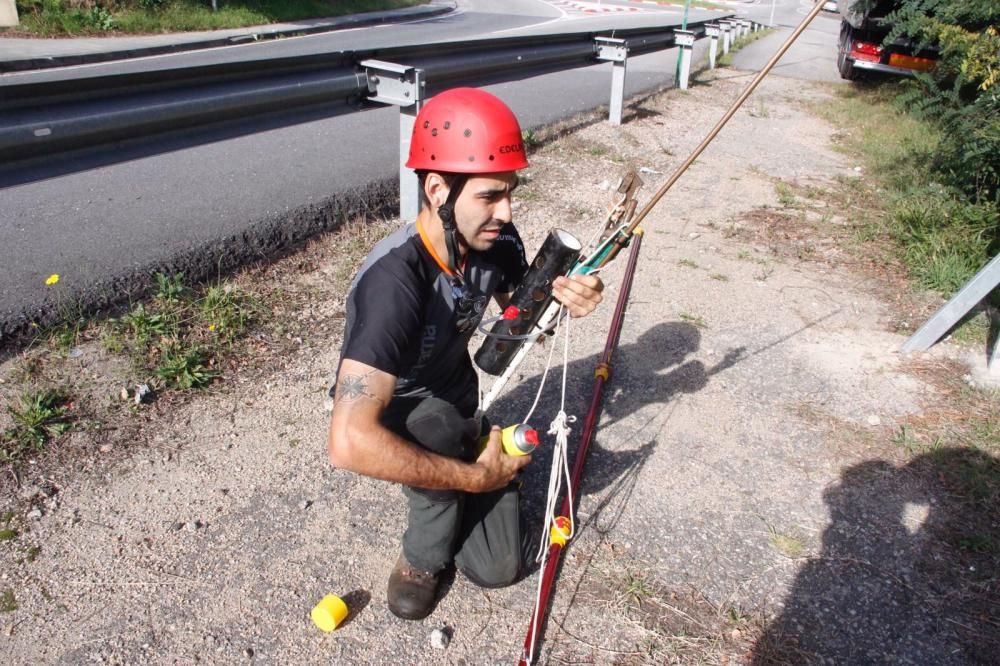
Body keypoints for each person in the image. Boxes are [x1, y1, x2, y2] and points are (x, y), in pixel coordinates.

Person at [326, 87, 604, 621]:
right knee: (437, 440)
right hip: (401, 407)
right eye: (490, 196)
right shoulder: (393, 283)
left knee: (501, 567)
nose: (507, 210)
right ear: (437, 190)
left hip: (457, 391)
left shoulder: (494, 241)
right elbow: (347, 442)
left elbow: (521, 320)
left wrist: (571, 299)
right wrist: (475, 479)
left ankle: (474, 454)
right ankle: (423, 557)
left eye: (511, 192)